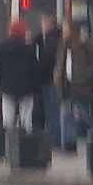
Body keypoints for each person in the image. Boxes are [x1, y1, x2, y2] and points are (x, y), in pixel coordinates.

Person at [58, 21, 93, 149]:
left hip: (82, 87)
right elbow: (61, 66)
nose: (63, 32)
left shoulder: (86, 47)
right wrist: (58, 80)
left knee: (85, 115)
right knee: (67, 114)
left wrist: (86, 77)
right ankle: (70, 143)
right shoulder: (64, 47)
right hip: (67, 86)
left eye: (65, 30)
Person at [0, 20, 44, 134]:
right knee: (26, 119)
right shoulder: (28, 49)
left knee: (8, 119)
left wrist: (2, 81)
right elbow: (34, 69)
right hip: (26, 88)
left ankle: (9, 140)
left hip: (7, 87)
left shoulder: (1, 48)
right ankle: (25, 139)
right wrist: (35, 87)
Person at [36, 16, 65, 146]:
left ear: (49, 24)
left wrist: (38, 67)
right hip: (50, 80)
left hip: (49, 80)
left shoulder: (51, 40)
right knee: (52, 112)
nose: (41, 26)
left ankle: (54, 141)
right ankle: (54, 140)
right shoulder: (52, 38)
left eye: (43, 23)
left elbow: (47, 60)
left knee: (52, 112)